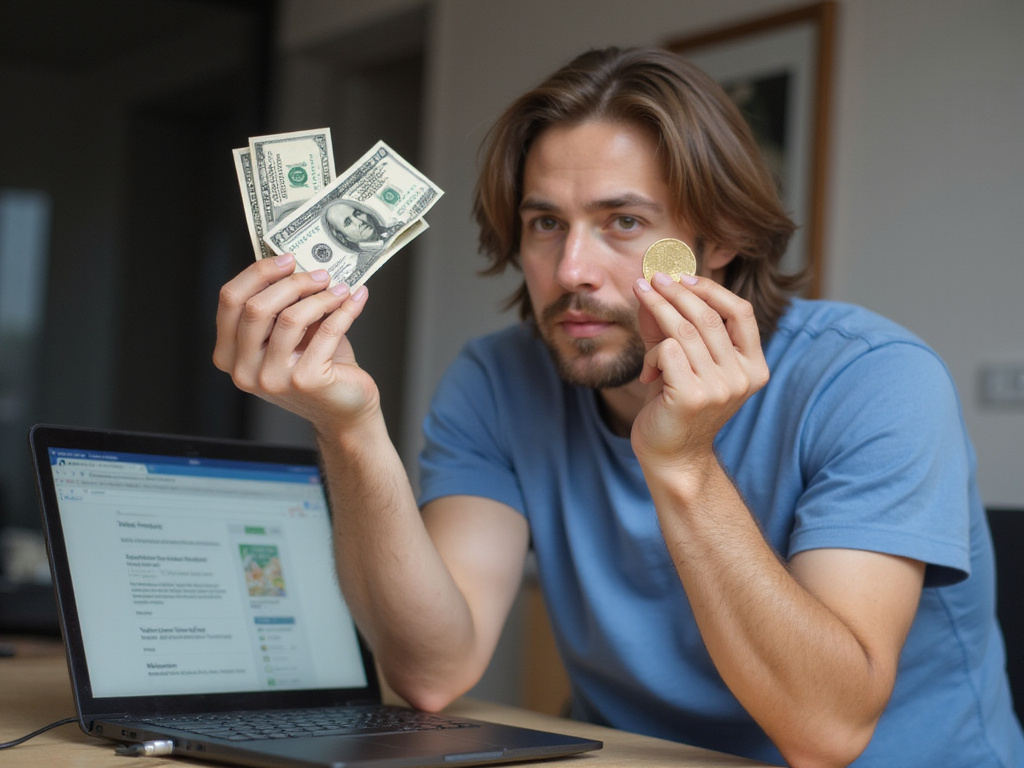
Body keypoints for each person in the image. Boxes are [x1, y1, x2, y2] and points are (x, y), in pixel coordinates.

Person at [214, 47, 1024, 767]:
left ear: (722, 239)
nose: (571, 270)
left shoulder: (876, 381)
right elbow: (432, 672)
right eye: (544, 224)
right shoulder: (497, 380)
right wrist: (348, 431)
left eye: (624, 222)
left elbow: (826, 733)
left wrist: (683, 463)